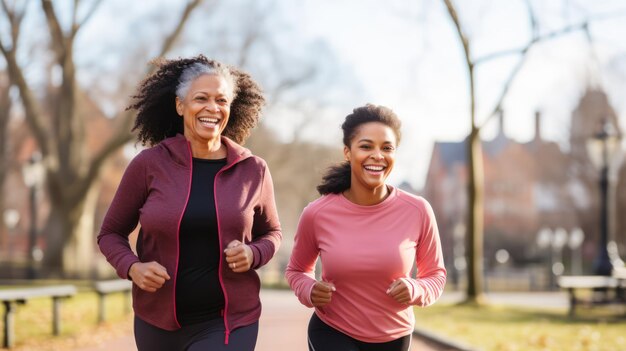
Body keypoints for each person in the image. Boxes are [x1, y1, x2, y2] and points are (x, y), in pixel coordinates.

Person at [98, 55, 282, 351]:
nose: (213, 108)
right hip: (156, 321)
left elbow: (272, 233)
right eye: (201, 99)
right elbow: (110, 233)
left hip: (229, 320)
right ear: (180, 106)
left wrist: (254, 253)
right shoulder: (149, 165)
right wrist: (133, 268)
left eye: (221, 100)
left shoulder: (253, 169)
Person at [285, 104, 446, 351]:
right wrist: (310, 290)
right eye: (366, 146)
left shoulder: (417, 210)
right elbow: (296, 270)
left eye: (387, 148)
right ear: (348, 152)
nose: (378, 155)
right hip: (332, 331)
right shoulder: (317, 213)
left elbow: (436, 275)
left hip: (394, 336)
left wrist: (416, 288)